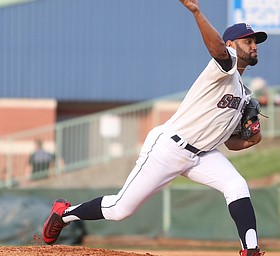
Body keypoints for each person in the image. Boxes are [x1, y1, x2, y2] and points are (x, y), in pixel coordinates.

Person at [42, 1, 267, 255]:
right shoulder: (223, 69)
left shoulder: (243, 93)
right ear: (231, 45)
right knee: (120, 209)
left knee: (236, 184)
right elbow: (218, 52)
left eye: (255, 41)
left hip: (201, 156)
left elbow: (231, 143)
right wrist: (197, 12)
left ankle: (251, 250)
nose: (254, 45)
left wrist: (253, 137)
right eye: (247, 41)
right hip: (169, 148)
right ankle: (64, 213)